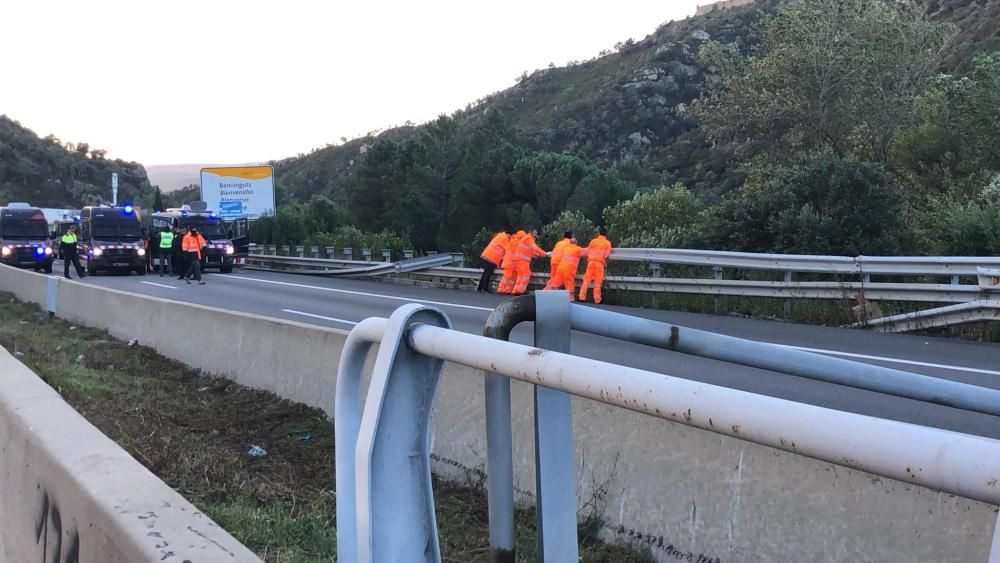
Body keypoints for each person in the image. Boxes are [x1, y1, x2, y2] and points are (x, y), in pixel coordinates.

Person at [579, 226, 613, 304]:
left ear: (599, 233)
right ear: (606, 234)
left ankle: (582, 297)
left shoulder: (593, 241)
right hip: (599, 263)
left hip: (591, 262)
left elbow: (588, 251)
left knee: (586, 280)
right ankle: (597, 300)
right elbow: (606, 255)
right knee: (598, 282)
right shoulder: (607, 243)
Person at [511, 229, 546, 295]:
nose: (536, 235)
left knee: (520, 275)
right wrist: (544, 254)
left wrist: (538, 254)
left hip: (519, 258)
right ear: (531, 233)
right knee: (526, 274)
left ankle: (515, 290)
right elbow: (535, 248)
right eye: (535, 233)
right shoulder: (529, 238)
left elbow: (530, 250)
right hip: (522, 259)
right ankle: (520, 291)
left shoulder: (527, 239)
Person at [478, 228, 511, 293]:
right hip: (491, 258)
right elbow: (508, 249)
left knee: (485, 273)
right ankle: (484, 289)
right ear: (508, 234)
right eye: (510, 236)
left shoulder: (500, 236)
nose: (510, 238)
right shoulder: (504, 238)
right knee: (488, 273)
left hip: (488, 256)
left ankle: (480, 288)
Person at [497, 229, 525, 295]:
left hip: (514, 263)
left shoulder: (516, 241)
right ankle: (501, 289)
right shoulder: (515, 241)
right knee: (507, 276)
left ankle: (508, 290)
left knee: (513, 277)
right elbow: (517, 250)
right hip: (509, 262)